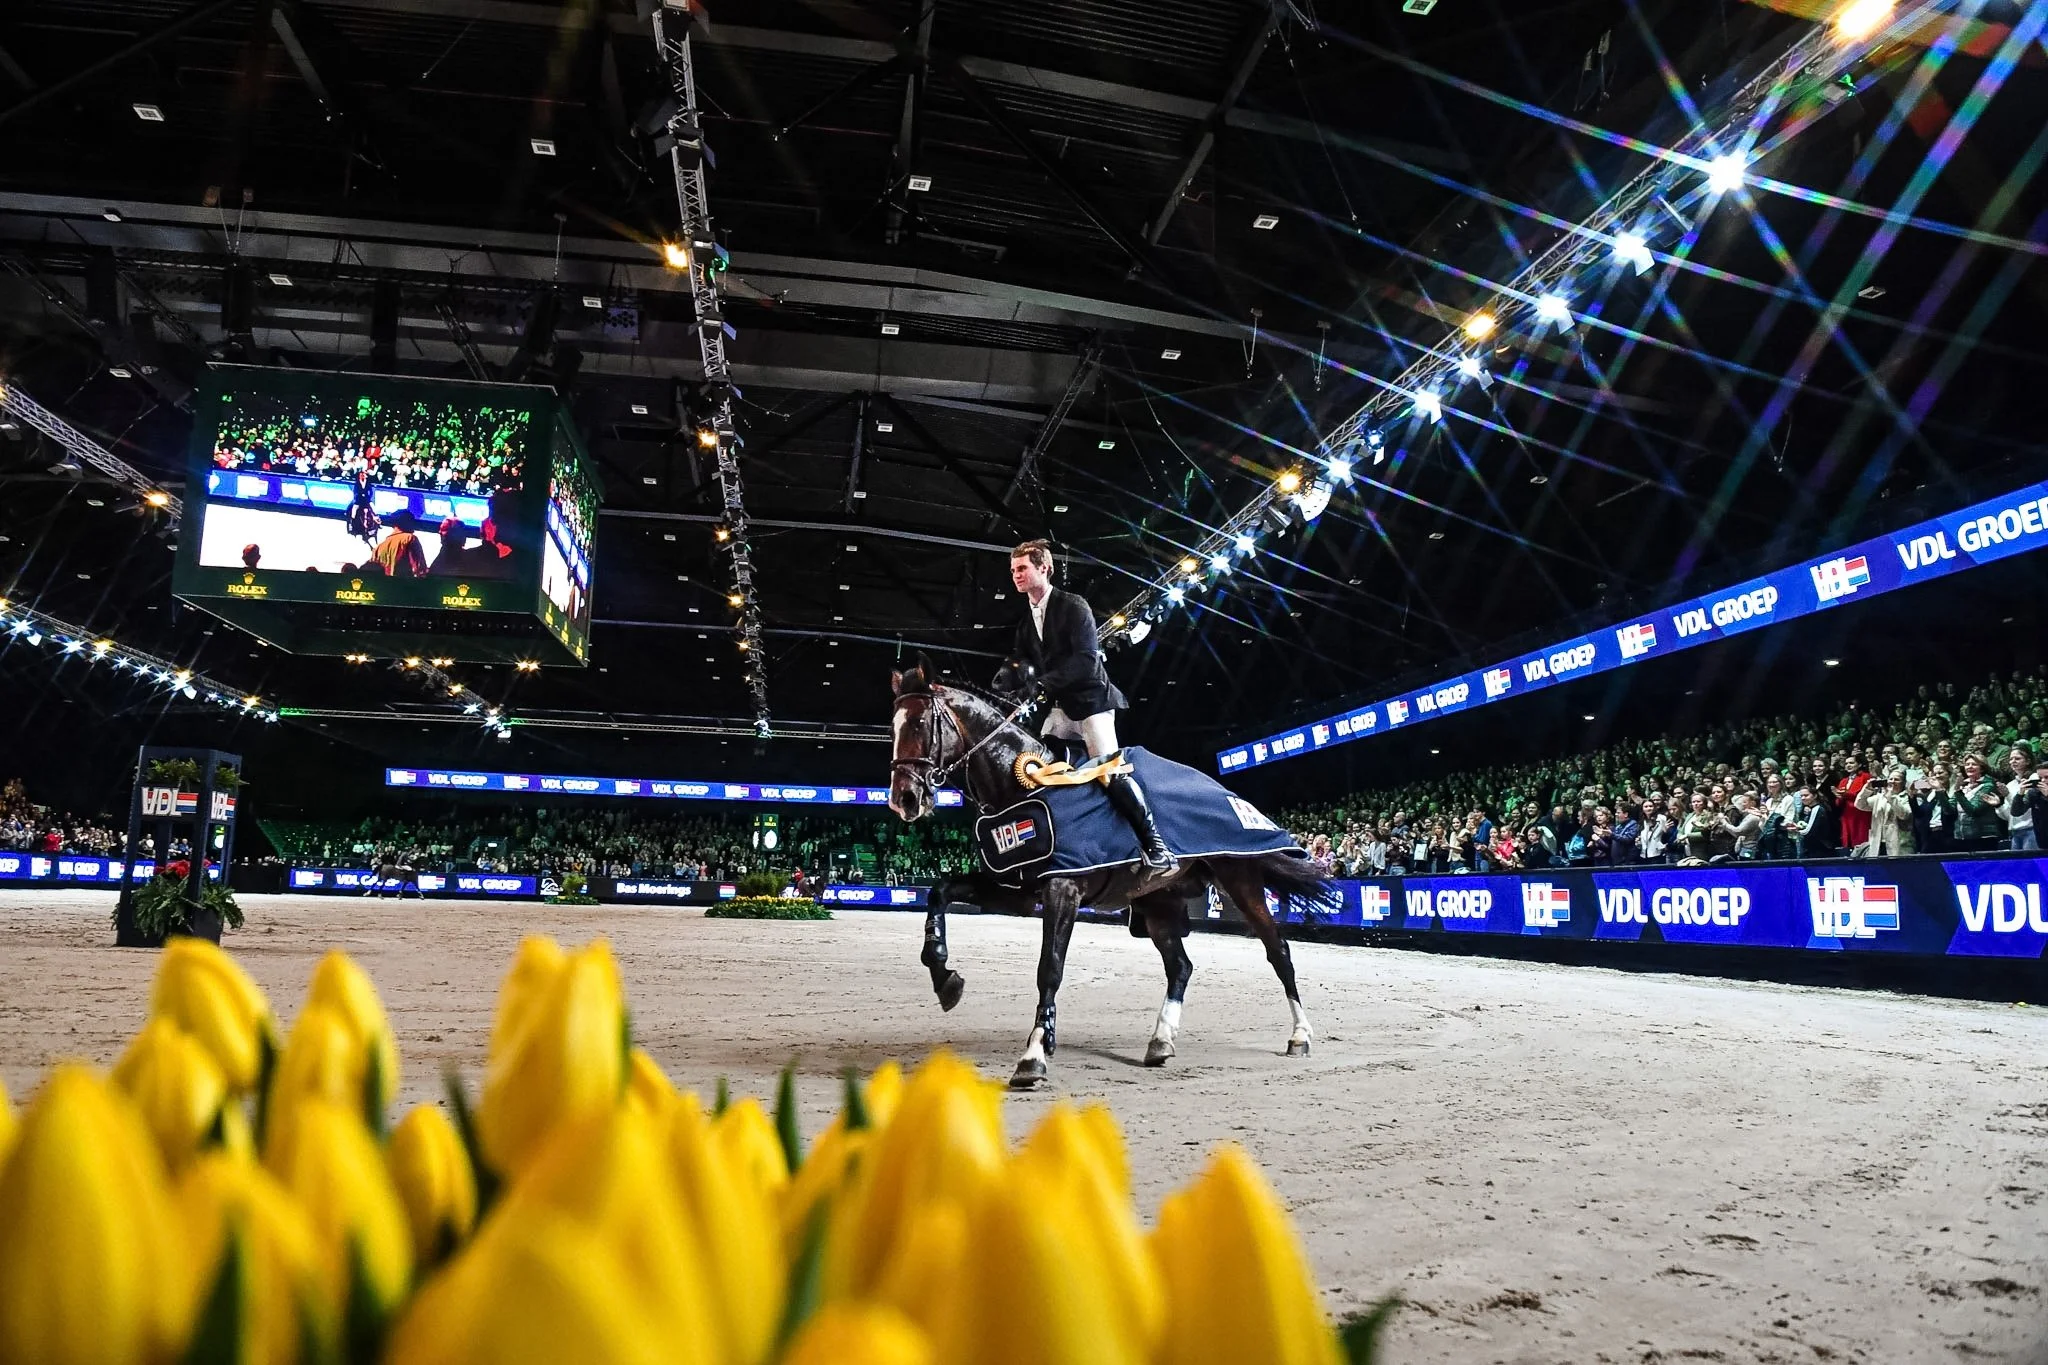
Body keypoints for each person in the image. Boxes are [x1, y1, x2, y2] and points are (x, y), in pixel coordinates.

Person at [1001, 539, 1175, 873]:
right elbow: (1020, 660)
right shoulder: (1026, 623)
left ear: (1044, 568)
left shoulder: (1073, 606)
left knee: (1109, 769)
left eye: (1022, 568)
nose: (1016, 575)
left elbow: (1085, 661)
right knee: (1038, 768)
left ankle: (1156, 845)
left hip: (1092, 702)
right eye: (1013, 570)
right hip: (1061, 707)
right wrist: (1003, 680)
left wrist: (1041, 684)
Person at [1858, 767, 1916, 857]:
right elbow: (1860, 805)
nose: (1892, 781)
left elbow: (1904, 815)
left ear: (1903, 783)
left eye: (1896, 779)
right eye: (1890, 779)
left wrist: (1891, 797)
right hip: (1878, 844)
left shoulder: (1907, 797)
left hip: (1900, 845)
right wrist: (1866, 790)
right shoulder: (1880, 797)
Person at [374, 509, 428, 578]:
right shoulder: (410, 539)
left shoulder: (379, 547)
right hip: (405, 586)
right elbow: (419, 568)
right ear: (407, 523)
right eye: (412, 522)